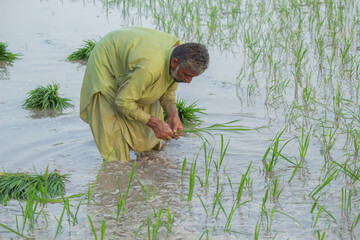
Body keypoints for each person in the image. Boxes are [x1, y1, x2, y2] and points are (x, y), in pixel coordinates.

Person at [80, 26, 209, 162]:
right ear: (174, 62)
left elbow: (168, 88)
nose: (189, 81)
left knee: (149, 135)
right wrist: (154, 123)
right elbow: (122, 102)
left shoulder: (180, 51)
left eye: (192, 77)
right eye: (186, 75)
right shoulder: (149, 68)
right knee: (115, 142)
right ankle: (117, 174)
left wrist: (172, 114)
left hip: (138, 64)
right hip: (106, 63)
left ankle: (145, 163)